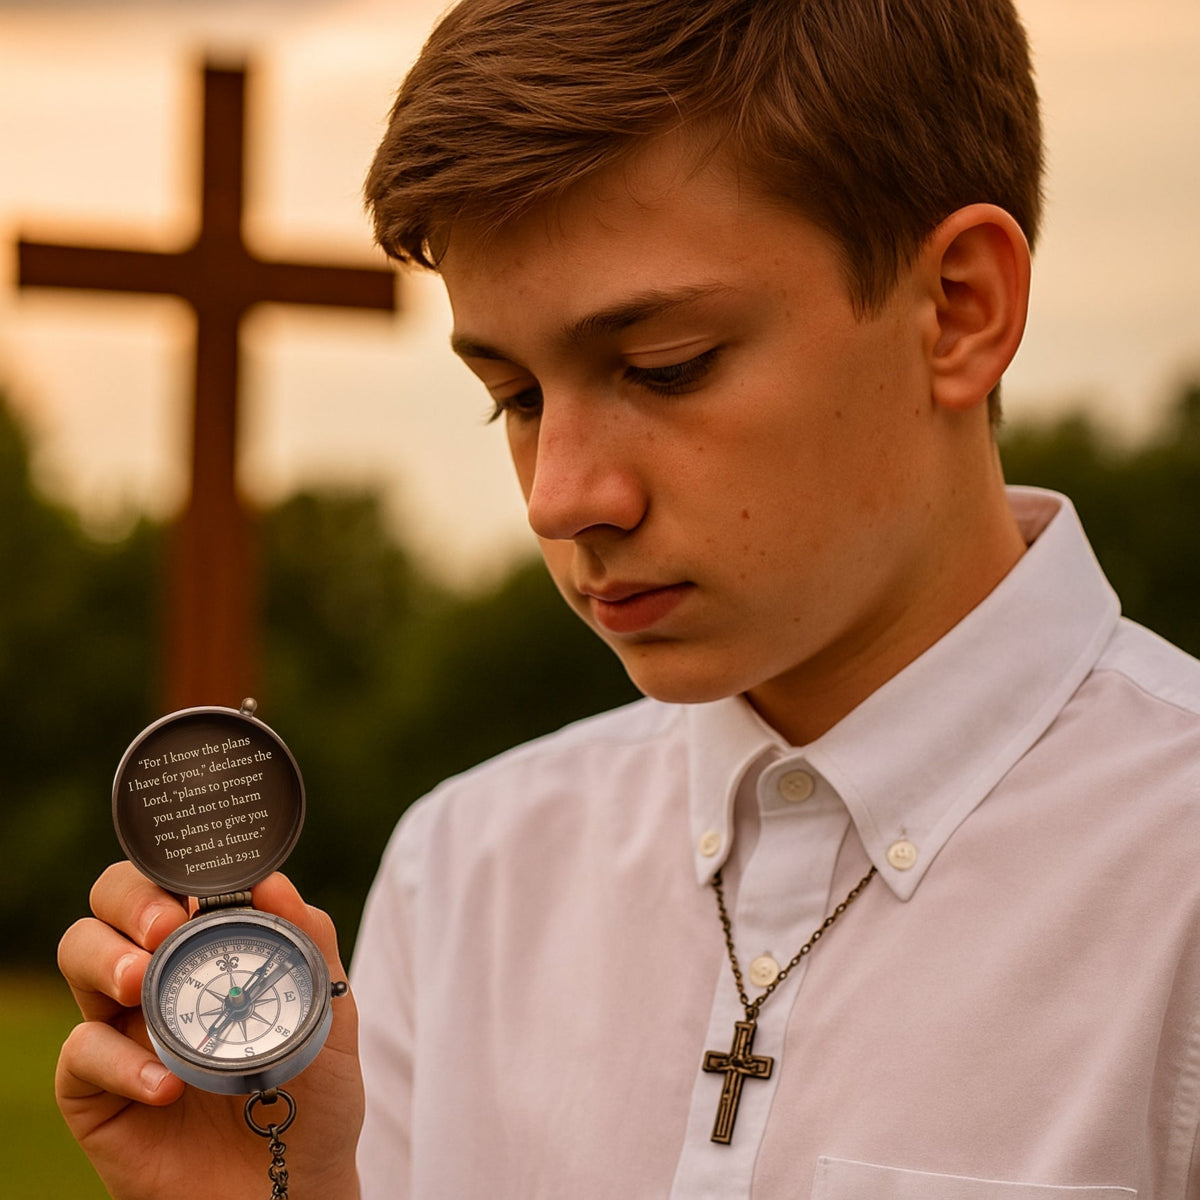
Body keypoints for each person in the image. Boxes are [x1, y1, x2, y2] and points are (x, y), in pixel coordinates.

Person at [56, 0, 1200, 1195]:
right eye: (515, 396)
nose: (559, 498)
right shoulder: (468, 875)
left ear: (960, 307)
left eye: (667, 366)